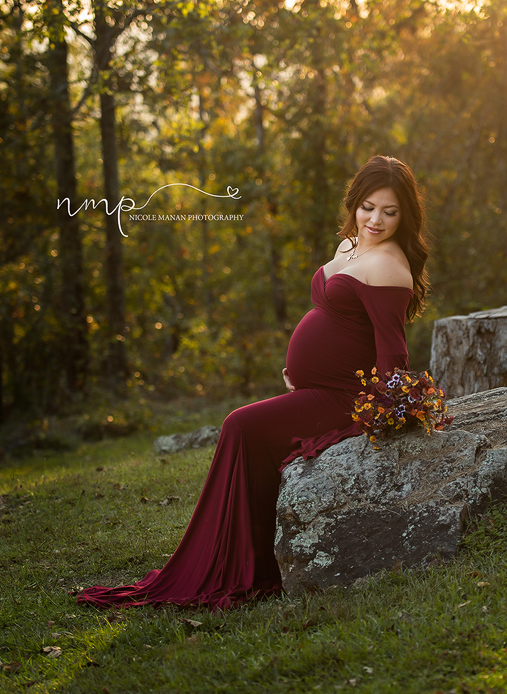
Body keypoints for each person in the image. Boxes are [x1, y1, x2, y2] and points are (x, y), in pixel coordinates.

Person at [77, 155, 429, 611]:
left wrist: (384, 412)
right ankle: (243, 559)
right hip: (317, 388)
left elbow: (391, 354)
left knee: (240, 425)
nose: (376, 219)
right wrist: (305, 371)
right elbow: (340, 324)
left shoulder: (388, 266)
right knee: (247, 429)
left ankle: (242, 568)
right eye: (368, 207)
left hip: (346, 399)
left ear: (405, 215)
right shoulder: (350, 247)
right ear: (353, 205)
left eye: (390, 211)